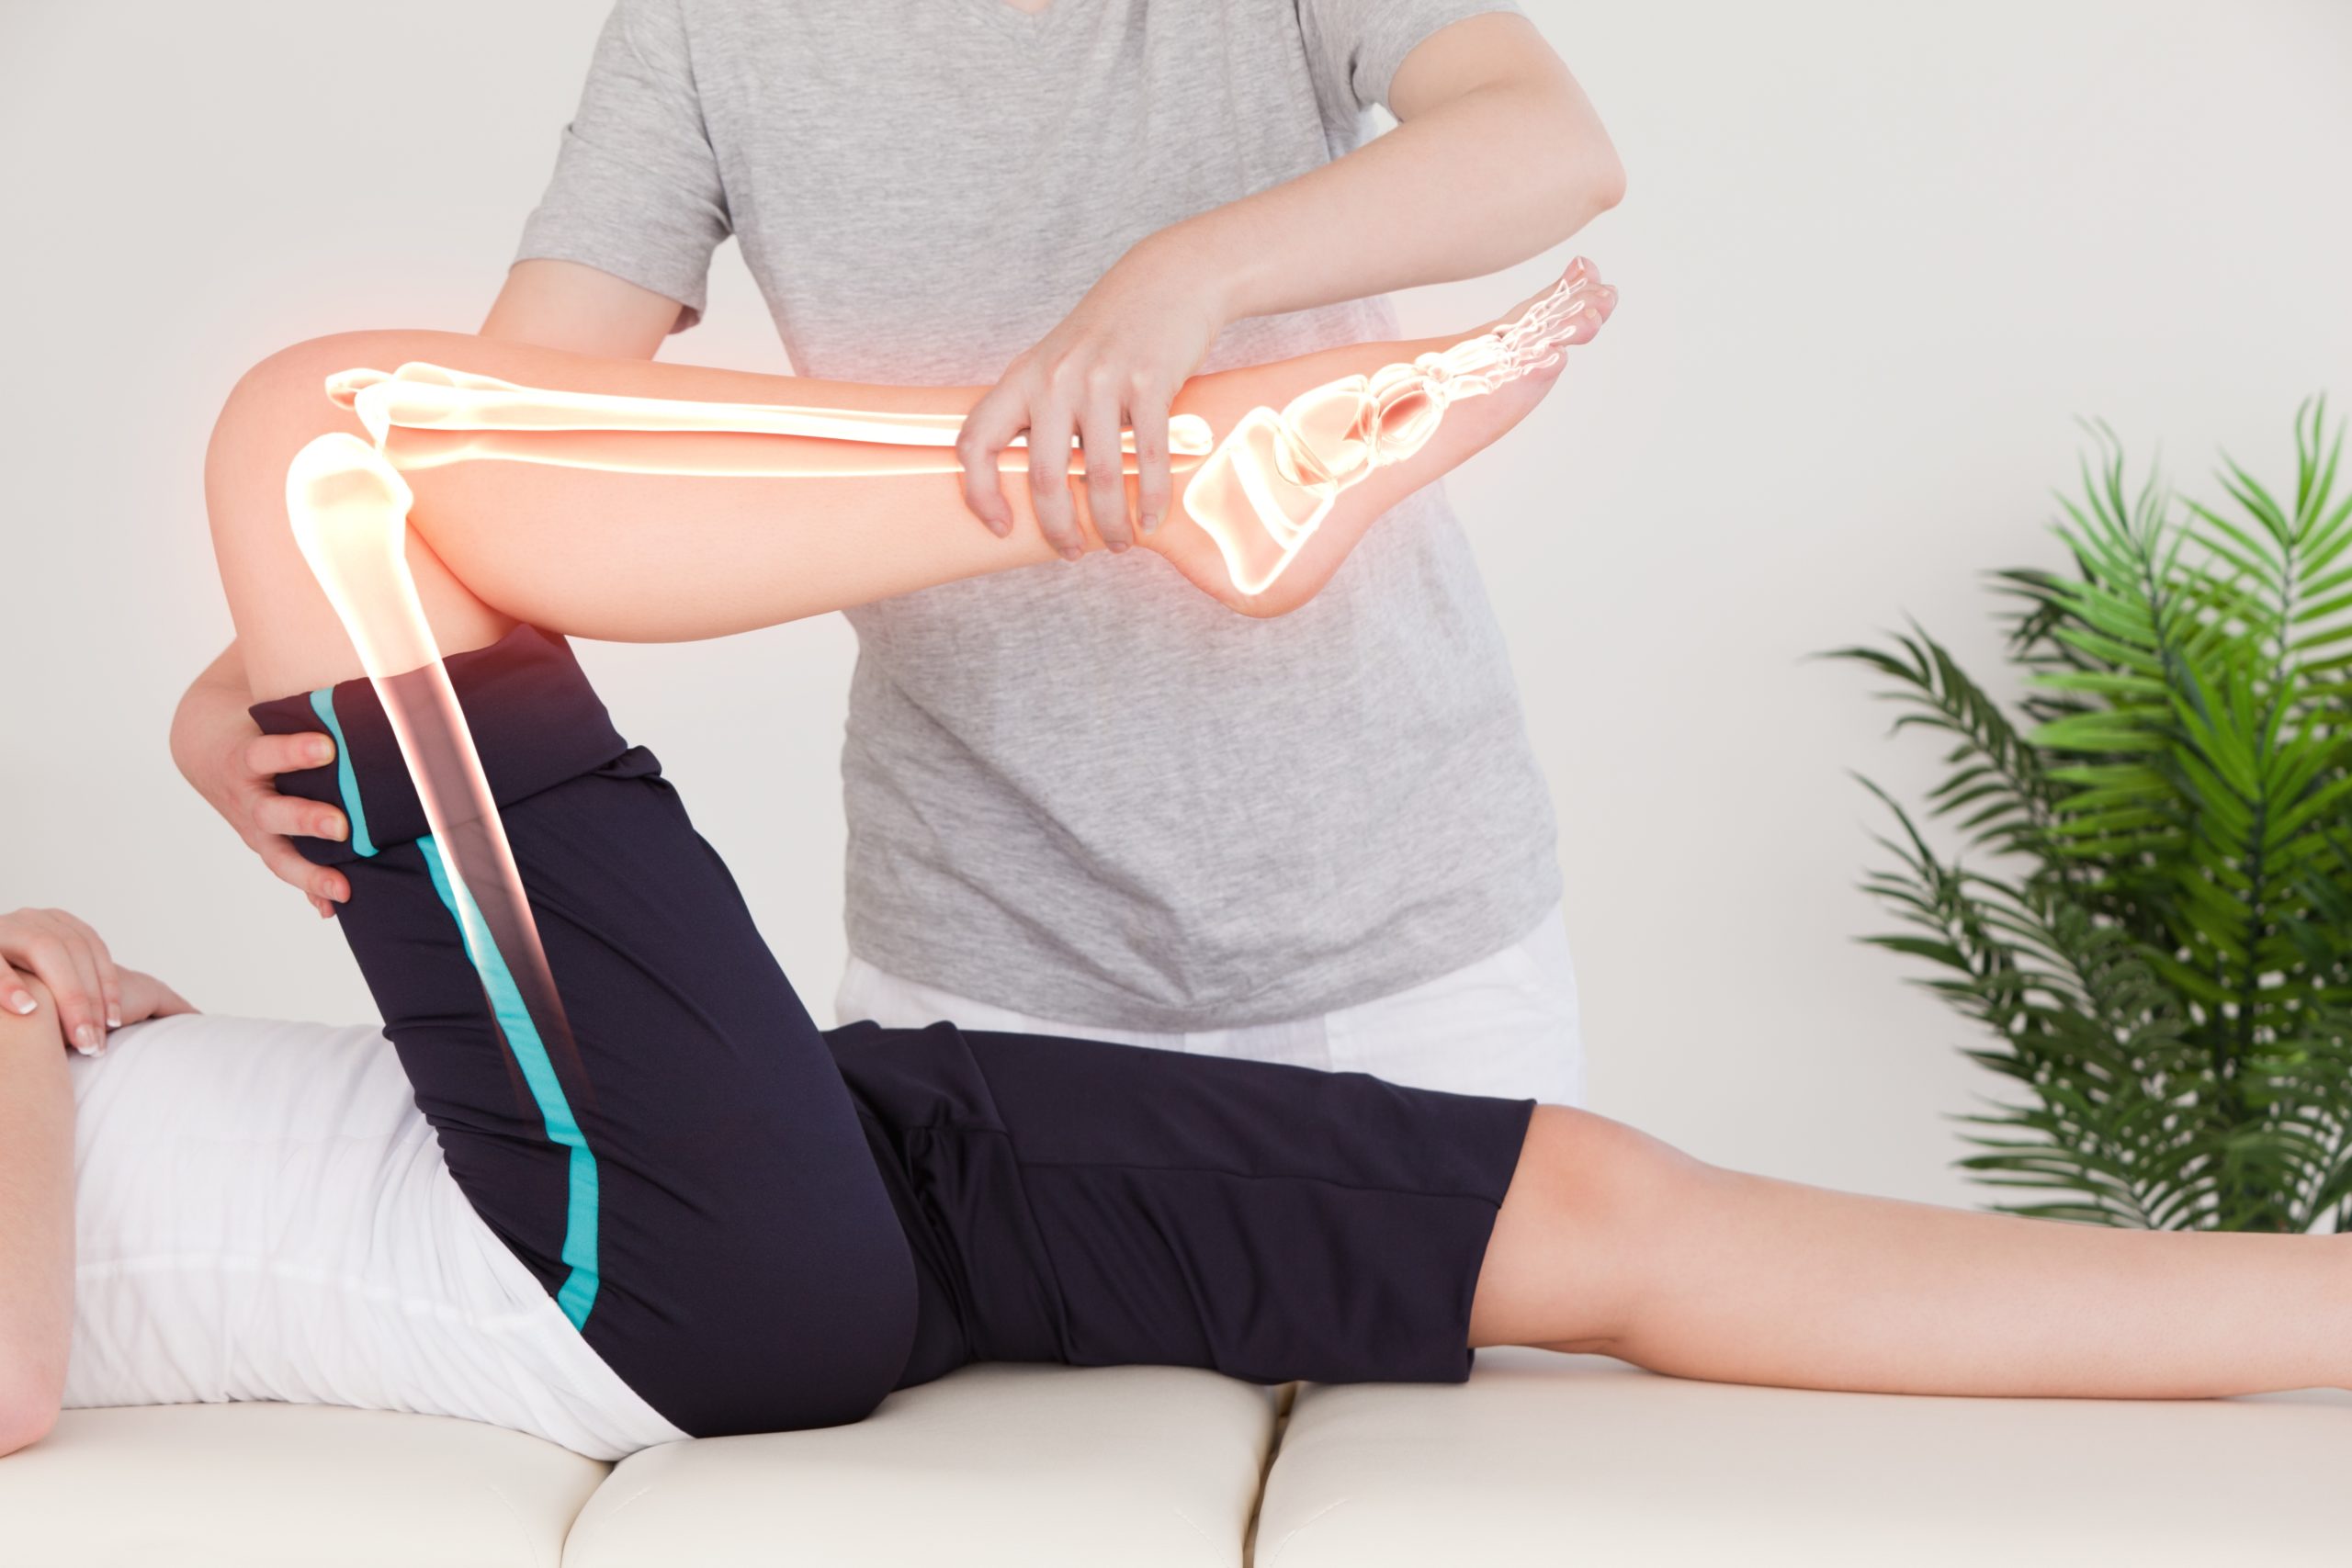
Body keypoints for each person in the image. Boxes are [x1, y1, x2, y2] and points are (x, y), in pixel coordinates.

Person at [8, 298, 2346, 1464]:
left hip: (741, 1179)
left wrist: (94, 981)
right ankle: (1164, 476)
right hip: (617, 1263)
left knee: (1595, 1211)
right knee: (328, 446)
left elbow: (163, 1208)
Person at [169, 0, 1628, 1106]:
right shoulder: (709, 29)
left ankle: (1216, 464)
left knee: (1434, 1495)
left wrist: (1181, 274)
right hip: (985, 969)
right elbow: (502, 437)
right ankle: (1205, 469)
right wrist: (260, 669)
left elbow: (1546, 141)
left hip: (1418, 939)